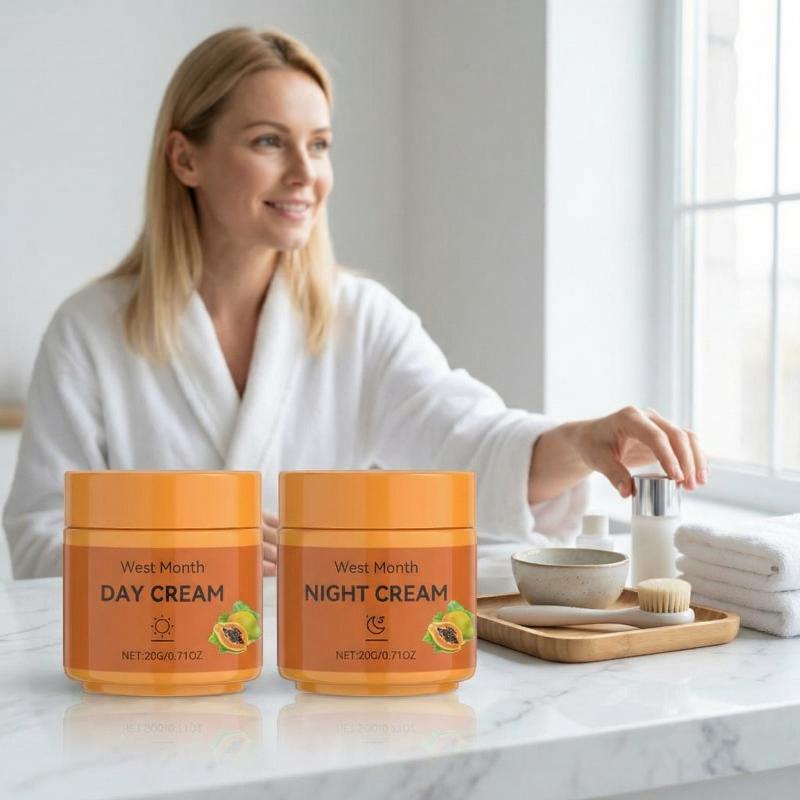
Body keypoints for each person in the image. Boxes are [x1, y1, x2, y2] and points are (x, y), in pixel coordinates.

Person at [2, 27, 707, 580]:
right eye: (269, 141)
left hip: (321, 663)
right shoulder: (90, 333)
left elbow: (470, 448)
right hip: (152, 669)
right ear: (186, 159)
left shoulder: (361, 321)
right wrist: (198, 557)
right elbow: (38, 540)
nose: (305, 173)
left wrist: (581, 442)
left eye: (320, 144)